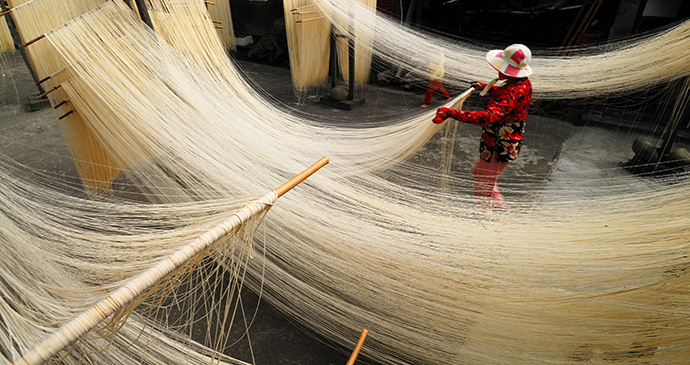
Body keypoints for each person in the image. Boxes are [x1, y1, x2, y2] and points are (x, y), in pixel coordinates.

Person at [432, 44, 533, 212]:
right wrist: (486, 87)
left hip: (499, 145)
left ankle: (486, 219)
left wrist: (452, 113)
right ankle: (498, 209)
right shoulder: (523, 83)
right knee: (478, 172)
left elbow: (487, 117)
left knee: (483, 187)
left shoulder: (511, 92)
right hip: (504, 142)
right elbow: (507, 97)